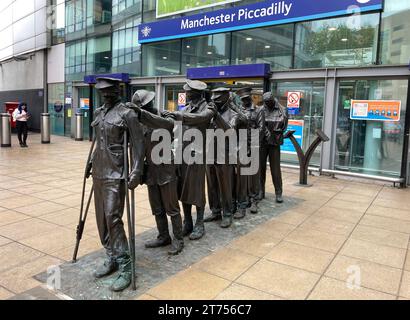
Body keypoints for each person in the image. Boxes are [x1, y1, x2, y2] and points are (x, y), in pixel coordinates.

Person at [86, 77, 145, 292]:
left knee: (112, 217)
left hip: (116, 173)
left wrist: (137, 170)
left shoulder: (127, 113)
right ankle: (111, 256)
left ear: (118, 91)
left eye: (109, 92)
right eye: (103, 93)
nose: (106, 96)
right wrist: (91, 162)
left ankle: (126, 266)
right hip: (99, 172)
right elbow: (99, 142)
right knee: (102, 219)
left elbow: (138, 144)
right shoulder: (99, 113)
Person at [127, 90, 184, 256]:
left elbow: (167, 125)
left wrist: (141, 114)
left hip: (166, 170)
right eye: (144, 106)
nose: (148, 106)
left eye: (147, 105)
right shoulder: (139, 123)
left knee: (171, 207)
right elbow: (137, 148)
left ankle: (178, 239)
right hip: (151, 171)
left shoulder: (165, 116)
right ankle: (163, 236)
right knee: (157, 208)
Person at [204, 88, 247, 228]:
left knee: (225, 186)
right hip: (209, 153)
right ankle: (215, 211)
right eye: (213, 99)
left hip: (225, 154)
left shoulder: (234, 114)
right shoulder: (209, 112)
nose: (214, 101)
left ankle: (227, 213)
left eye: (218, 99)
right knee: (212, 185)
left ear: (226, 99)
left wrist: (216, 116)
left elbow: (229, 130)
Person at [236, 88, 265, 215]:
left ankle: (254, 200)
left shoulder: (258, 111)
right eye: (243, 99)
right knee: (243, 174)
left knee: (254, 174)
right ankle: (245, 198)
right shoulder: (238, 111)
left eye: (247, 98)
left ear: (251, 97)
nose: (245, 101)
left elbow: (261, 128)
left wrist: (252, 144)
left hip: (253, 144)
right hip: (241, 144)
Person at [260, 92, 288, 203]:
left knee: (275, 169)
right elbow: (259, 123)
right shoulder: (261, 109)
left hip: (275, 142)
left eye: (268, 102)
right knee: (261, 168)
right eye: (265, 103)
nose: (267, 104)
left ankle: (278, 192)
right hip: (263, 142)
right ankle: (260, 191)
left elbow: (283, 126)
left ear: (273, 100)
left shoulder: (282, 110)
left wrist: (272, 130)